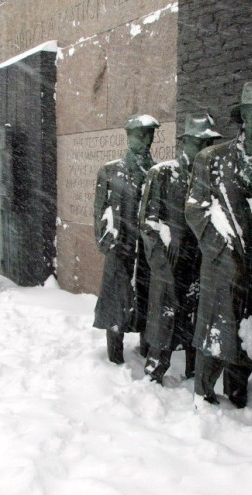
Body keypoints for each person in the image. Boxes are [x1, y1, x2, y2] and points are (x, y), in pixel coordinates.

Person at [185, 81, 252, 408]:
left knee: (249, 328)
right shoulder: (212, 158)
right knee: (216, 332)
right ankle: (203, 391)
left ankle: (237, 388)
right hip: (222, 265)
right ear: (244, 117)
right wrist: (221, 248)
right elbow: (195, 208)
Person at [140, 112, 222, 383]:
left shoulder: (211, 178)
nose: (203, 149)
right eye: (198, 143)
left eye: (207, 143)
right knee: (164, 319)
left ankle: (193, 372)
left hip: (199, 261)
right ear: (185, 142)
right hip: (168, 261)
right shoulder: (163, 173)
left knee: (194, 318)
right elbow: (148, 221)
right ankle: (154, 372)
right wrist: (167, 243)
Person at [93, 114, 159, 364]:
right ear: (128, 136)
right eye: (140, 133)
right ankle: (115, 353)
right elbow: (100, 210)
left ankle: (146, 347)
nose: (145, 139)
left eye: (150, 133)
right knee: (116, 302)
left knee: (147, 298)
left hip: (148, 250)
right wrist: (108, 241)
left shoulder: (157, 172)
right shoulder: (110, 171)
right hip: (121, 248)